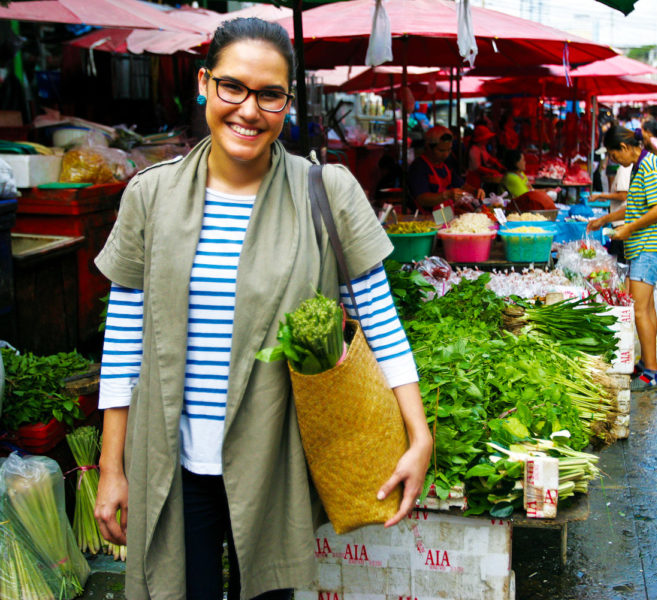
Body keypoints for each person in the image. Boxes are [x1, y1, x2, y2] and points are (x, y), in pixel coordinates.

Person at [93, 18, 432, 600]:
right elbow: (123, 338)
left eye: (269, 95)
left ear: (287, 103)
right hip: (172, 463)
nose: (248, 111)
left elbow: (378, 319)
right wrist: (111, 467)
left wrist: (418, 434)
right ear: (204, 83)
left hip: (275, 460)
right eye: (232, 87)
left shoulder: (325, 191)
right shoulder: (150, 195)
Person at [587, 126, 657, 392]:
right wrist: (605, 219)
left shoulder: (649, 165)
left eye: (615, 156)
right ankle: (647, 362)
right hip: (643, 246)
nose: (614, 161)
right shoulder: (641, 165)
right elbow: (635, 207)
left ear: (625, 147)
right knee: (646, 308)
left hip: (649, 245)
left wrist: (629, 229)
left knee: (639, 309)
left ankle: (651, 373)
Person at [408, 124, 484, 211]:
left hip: (444, 213)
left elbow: (461, 185)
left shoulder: (446, 165)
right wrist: (447, 195)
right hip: (425, 216)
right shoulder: (419, 167)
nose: (446, 154)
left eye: (449, 149)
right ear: (428, 147)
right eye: (441, 150)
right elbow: (421, 199)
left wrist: (475, 191)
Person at [466, 124, 504, 191]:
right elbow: (477, 168)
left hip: (481, 178)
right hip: (474, 179)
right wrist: (492, 171)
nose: (488, 140)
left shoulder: (482, 147)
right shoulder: (474, 150)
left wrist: (497, 163)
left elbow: (488, 158)